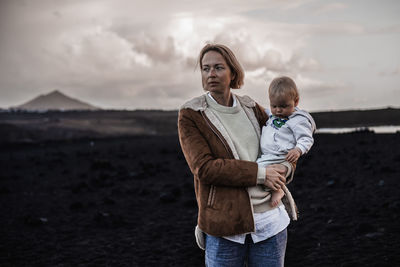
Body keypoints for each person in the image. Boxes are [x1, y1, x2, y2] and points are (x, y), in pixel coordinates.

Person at [178, 43, 296, 267]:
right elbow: (204, 168)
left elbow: (283, 143)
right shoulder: (192, 114)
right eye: (205, 68)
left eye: (218, 67)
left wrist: (284, 170)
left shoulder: (251, 107)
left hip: (270, 222)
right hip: (225, 227)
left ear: (233, 72)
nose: (211, 74)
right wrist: (261, 174)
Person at [257, 76, 316, 208]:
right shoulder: (272, 114)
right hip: (269, 155)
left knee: (258, 171)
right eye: (274, 106)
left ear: (296, 101)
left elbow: (306, 138)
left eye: (284, 106)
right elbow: (260, 110)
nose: (278, 110)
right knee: (258, 170)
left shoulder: (298, 120)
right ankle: (275, 189)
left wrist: (298, 150)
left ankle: (277, 190)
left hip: (280, 156)